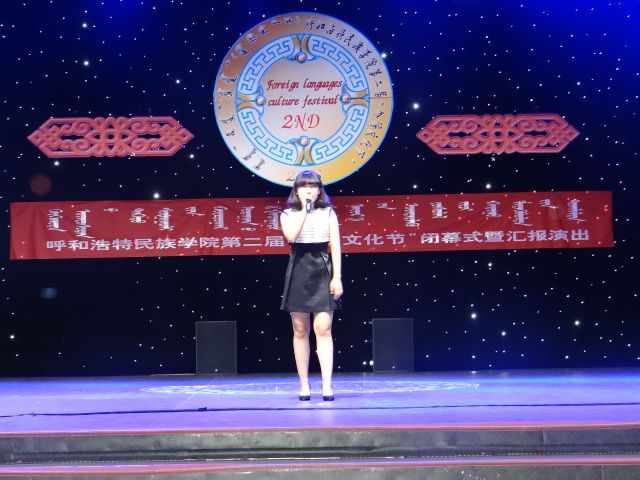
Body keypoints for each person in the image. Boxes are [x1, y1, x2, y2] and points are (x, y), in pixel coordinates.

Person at [280, 170, 343, 401]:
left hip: (322, 269)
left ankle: (327, 385)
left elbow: (336, 246)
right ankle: (304, 384)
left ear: (319, 190)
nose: (309, 190)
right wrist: (305, 212)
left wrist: (337, 277)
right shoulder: (287, 214)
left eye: (313, 186)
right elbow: (292, 237)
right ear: (297, 190)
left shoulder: (329, 213)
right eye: (304, 186)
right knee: (300, 330)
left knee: (323, 329)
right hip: (299, 268)